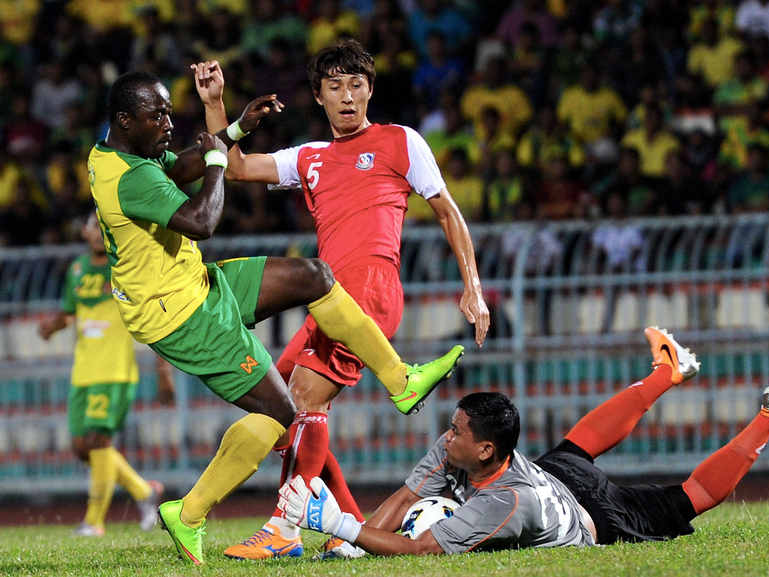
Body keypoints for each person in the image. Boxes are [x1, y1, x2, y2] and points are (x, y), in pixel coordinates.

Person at [88, 70, 464, 565]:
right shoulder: (130, 178)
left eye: (167, 112)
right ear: (124, 119)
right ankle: (190, 513)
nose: (168, 124)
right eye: (157, 116)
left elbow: (180, 166)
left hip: (196, 284)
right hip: (181, 314)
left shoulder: (118, 153)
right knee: (282, 414)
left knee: (314, 276)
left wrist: (235, 129)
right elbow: (201, 221)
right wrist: (218, 162)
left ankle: (400, 380)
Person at [191, 38, 490, 561]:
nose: (347, 96)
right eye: (335, 87)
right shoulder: (310, 157)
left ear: (370, 90)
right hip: (326, 298)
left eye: (356, 85)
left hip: (369, 293)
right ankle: (347, 528)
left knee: (304, 399)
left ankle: (284, 527)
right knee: (280, 404)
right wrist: (216, 103)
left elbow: (447, 210)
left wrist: (473, 286)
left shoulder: (401, 141)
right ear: (319, 96)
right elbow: (236, 169)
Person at [276, 327, 769, 555]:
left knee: (692, 497)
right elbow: (404, 498)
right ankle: (667, 372)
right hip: (553, 475)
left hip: (598, 518)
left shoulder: (504, 502)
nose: (445, 438)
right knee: (575, 447)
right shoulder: (465, 451)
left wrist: (337, 524)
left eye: (456, 431)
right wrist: (353, 547)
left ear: (485, 449)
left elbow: (421, 550)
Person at [38, 211, 174, 537]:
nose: (99, 233)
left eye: (105, 228)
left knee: (99, 440)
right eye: (94, 227)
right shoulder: (77, 269)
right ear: (84, 233)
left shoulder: (124, 269)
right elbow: (70, 312)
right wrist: (52, 326)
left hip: (115, 371)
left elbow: (152, 316)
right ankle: (144, 490)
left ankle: (94, 521)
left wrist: (163, 371)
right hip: (83, 371)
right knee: (81, 447)